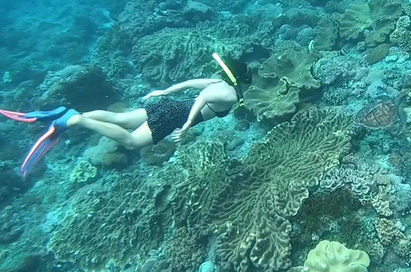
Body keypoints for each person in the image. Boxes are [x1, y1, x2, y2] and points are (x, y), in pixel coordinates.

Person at [0, 53, 252, 176]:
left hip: (169, 105)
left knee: (121, 119)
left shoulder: (216, 80)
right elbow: (202, 99)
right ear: (240, 80)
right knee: (131, 142)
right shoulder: (230, 95)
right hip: (175, 115)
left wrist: (160, 91)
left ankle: (66, 113)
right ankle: (78, 119)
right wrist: (186, 125)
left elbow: (188, 84)